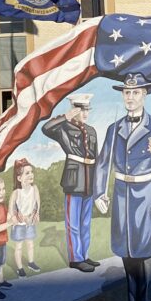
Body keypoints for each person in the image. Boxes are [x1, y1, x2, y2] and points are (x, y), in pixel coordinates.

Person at [94, 72, 151, 301]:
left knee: (147, 259)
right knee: (128, 256)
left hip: (148, 195)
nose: (130, 97)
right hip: (122, 196)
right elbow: (103, 162)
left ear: (145, 95)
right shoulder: (113, 128)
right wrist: (99, 192)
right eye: (126, 93)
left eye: (135, 92)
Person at [41, 93, 99, 272]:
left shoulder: (91, 130)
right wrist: (65, 117)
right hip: (74, 179)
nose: (85, 113)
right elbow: (46, 128)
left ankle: (85, 255)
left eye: (87, 110)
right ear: (74, 109)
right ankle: (76, 258)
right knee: (73, 222)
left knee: (85, 222)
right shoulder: (63, 128)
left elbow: (96, 156)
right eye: (81, 110)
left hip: (89, 178)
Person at [8, 158, 41, 278]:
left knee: (30, 244)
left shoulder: (34, 188)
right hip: (20, 224)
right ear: (19, 178)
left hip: (30, 222)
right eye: (27, 173)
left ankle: (31, 262)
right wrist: (16, 216)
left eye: (31, 172)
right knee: (19, 246)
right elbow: (11, 208)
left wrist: (35, 213)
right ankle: (20, 268)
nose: (31, 175)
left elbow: (37, 202)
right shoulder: (16, 192)